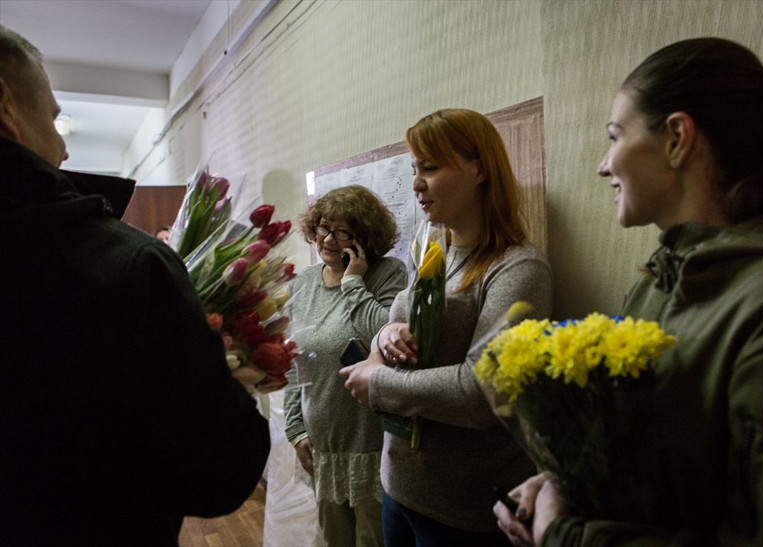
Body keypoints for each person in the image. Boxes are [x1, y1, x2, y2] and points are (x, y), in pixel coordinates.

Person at [495, 37, 763, 546]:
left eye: (614, 136)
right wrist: (564, 487)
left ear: (676, 138)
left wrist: (568, 534)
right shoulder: (655, 284)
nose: (603, 166)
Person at [0, 25, 270, 545]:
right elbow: (217, 474)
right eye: (53, 119)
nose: (62, 148)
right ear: (5, 107)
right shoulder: (125, 267)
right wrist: (226, 377)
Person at [340, 109, 553, 545]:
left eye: (430, 168)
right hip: (400, 489)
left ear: (479, 169)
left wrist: (378, 383)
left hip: (463, 511)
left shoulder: (518, 270)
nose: (416, 183)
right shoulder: (436, 251)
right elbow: (398, 327)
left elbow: (481, 393)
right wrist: (385, 336)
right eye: (415, 168)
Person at [283, 184, 407, 546]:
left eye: (342, 231)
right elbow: (295, 359)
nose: (328, 238)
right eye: (323, 226)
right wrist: (295, 430)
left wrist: (353, 281)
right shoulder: (304, 283)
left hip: (370, 444)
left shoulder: (387, 274)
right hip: (321, 443)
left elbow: (383, 335)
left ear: (364, 237)